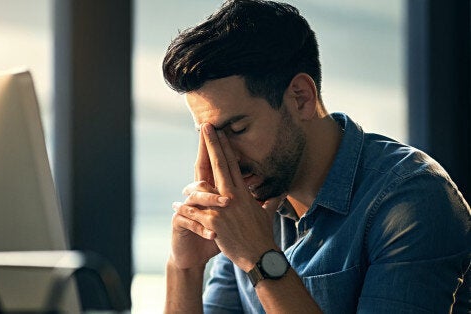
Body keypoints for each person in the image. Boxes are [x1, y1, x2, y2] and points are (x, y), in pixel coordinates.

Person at [161, 0, 471, 313]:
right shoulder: (250, 204)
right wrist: (184, 268)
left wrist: (260, 257)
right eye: (209, 136)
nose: (224, 158)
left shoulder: (413, 200)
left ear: (300, 97)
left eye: (238, 129)